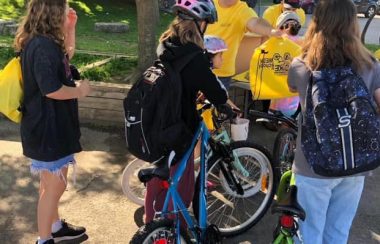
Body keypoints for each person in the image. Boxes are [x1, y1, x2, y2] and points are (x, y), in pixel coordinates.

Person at [287, 0, 380, 243]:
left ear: (317, 23)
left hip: (311, 164)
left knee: (307, 234)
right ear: (353, 25)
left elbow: (290, 87)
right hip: (355, 163)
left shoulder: (301, 66)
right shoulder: (370, 65)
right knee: (338, 232)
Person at [144, 0, 229, 224]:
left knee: (159, 175)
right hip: (179, 127)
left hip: (157, 120)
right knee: (182, 183)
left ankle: (151, 220)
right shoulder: (195, 57)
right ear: (201, 23)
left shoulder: (165, 43)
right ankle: (172, 229)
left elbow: (178, 79)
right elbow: (218, 94)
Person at [14, 0, 91, 243]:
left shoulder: (43, 42)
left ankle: (55, 227)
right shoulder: (42, 45)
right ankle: (44, 239)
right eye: (64, 10)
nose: (66, 12)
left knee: (49, 184)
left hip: (46, 127)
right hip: (49, 130)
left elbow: (65, 57)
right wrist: (80, 90)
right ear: (54, 12)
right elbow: (51, 89)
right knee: (55, 187)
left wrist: (70, 28)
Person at [205, 0, 282, 90]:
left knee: (215, 103)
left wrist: (271, 31)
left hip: (221, 75)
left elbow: (255, 23)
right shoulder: (207, 4)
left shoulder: (242, 10)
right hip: (196, 68)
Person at [267, 10, 302, 125]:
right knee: (289, 126)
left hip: (276, 100)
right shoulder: (302, 42)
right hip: (294, 97)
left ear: (280, 27)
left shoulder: (275, 42)